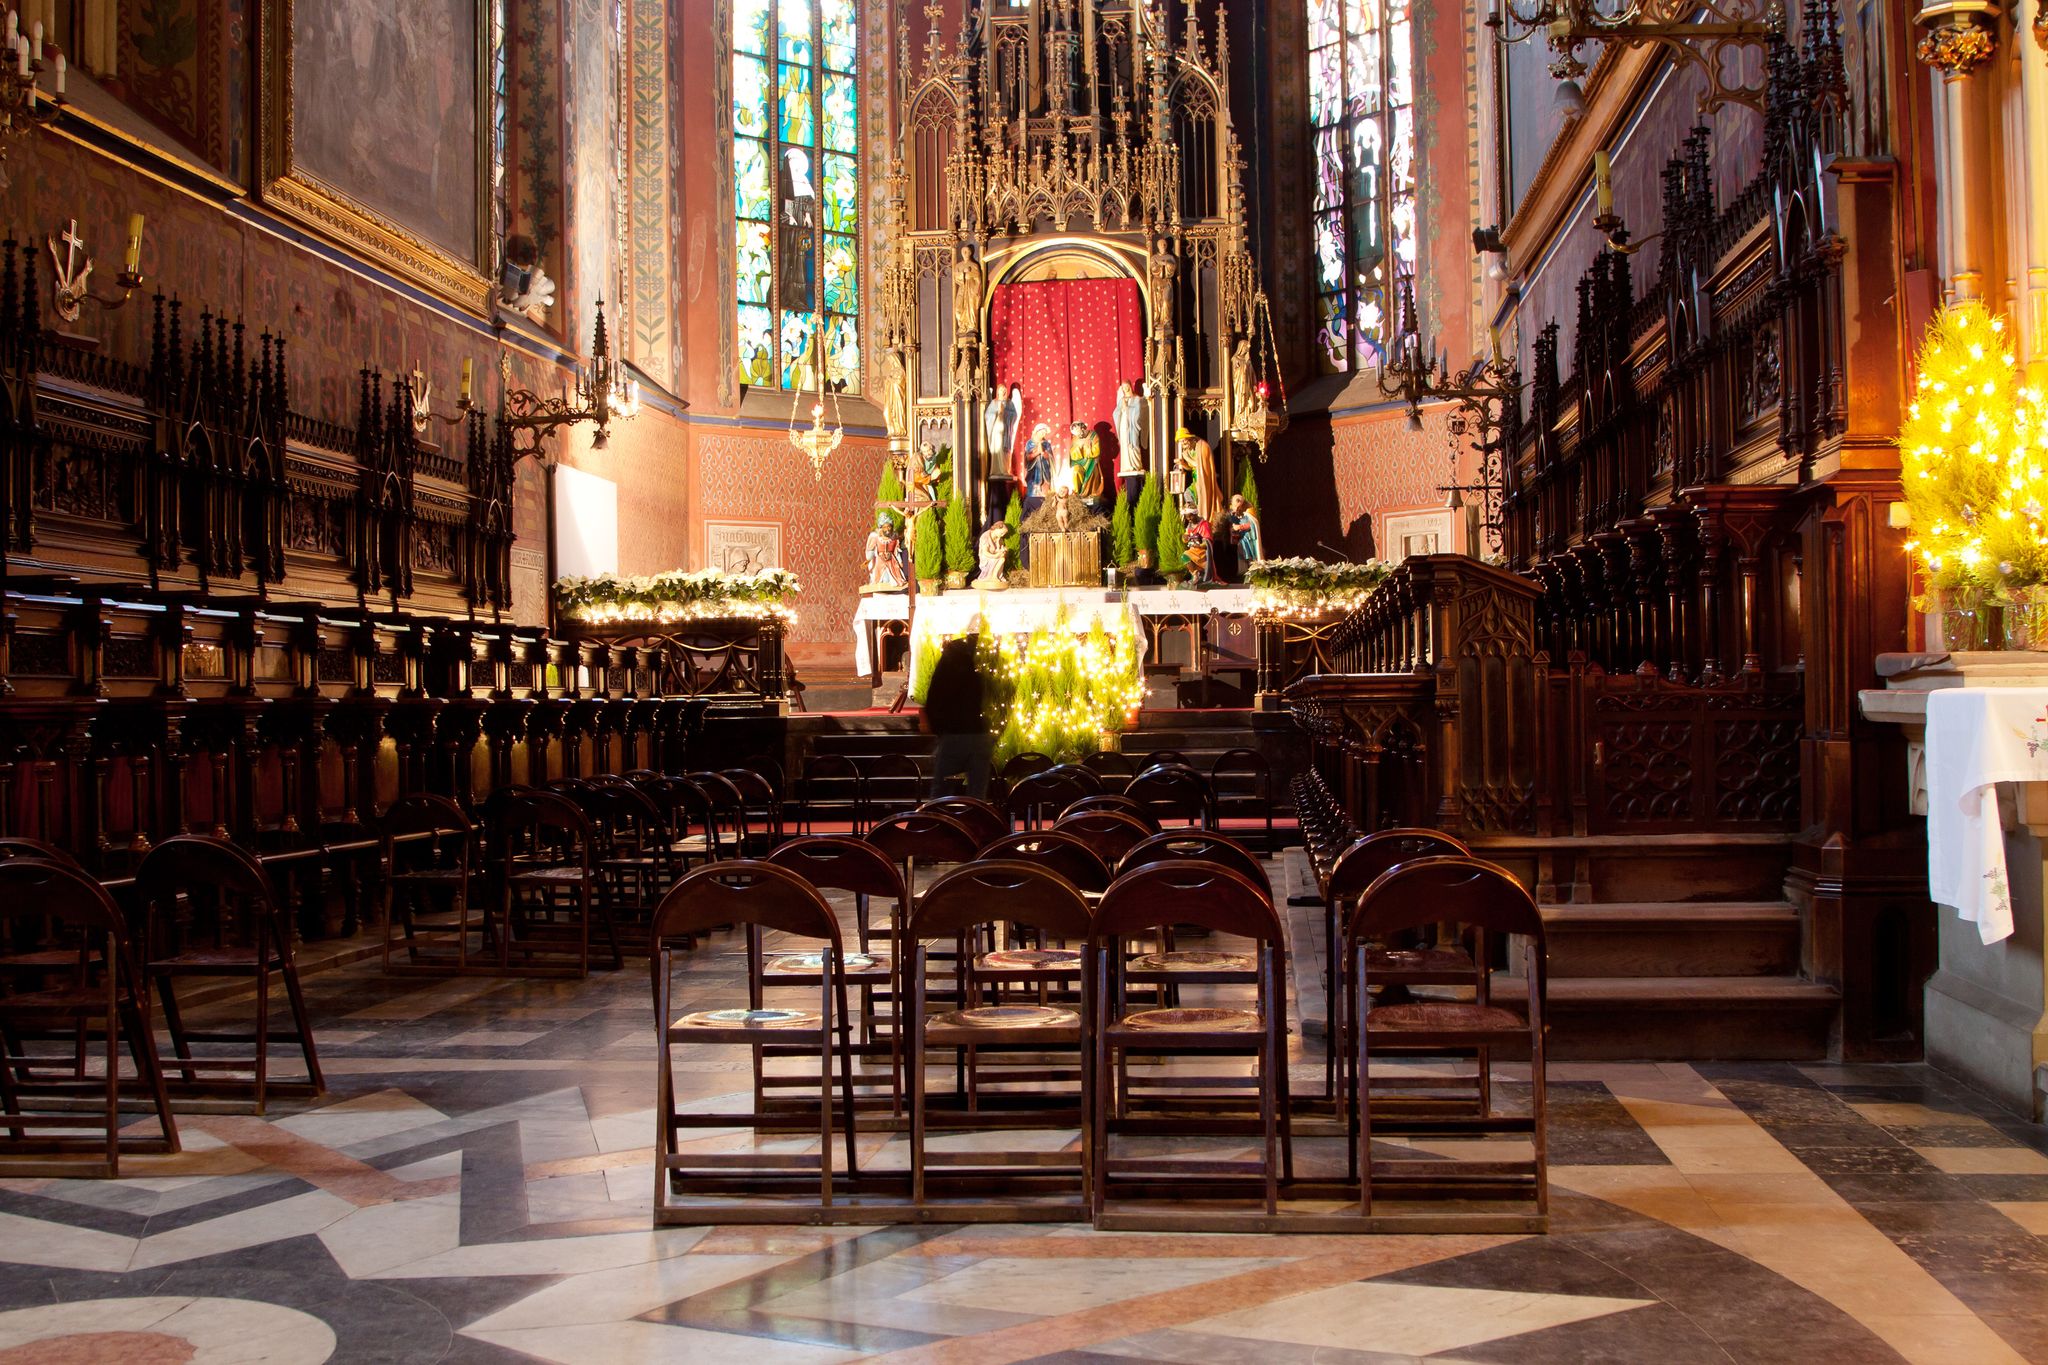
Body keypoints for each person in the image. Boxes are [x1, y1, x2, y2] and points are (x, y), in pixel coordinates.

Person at [924, 634, 994, 798]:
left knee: (941, 791)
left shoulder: (948, 662)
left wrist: (939, 729)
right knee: (977, 793)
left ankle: (939, 814)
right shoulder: (984, 659)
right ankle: (974, 814)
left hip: (953, 733)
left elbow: (934, 698)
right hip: (979, 732)